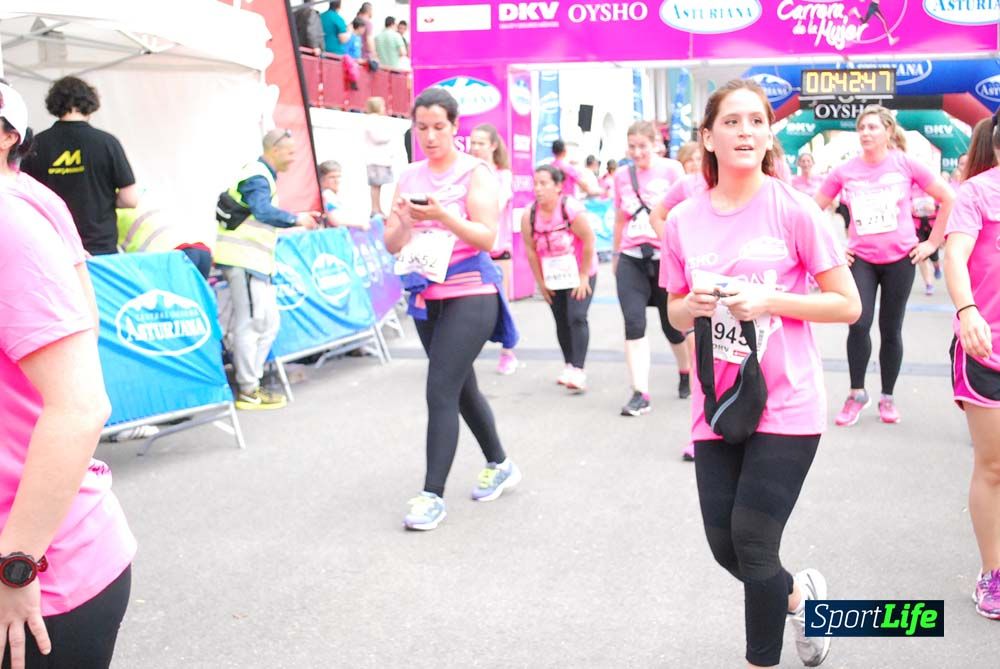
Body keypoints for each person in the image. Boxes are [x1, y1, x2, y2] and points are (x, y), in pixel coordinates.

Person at [663, 78, 861, 669]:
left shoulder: (794, 209)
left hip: (787, 403)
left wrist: (768, 300)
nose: (745, 130)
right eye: (732, 121)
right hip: (719, 402)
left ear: (768, 133)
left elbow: (846, 304)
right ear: (709, 136)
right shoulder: (683, 221)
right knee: (728, 549)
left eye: (756, 120)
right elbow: (673, 310)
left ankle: (761, 660)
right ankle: (805, 602)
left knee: (753, 541)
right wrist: (694, 304)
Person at [0, 86, 136, 669]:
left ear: (8, 135)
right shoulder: (34, 197)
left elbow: (81, 406)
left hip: (38, 577)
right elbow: (88, 317)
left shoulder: (11, 220)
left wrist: (16, 564)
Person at [385, 88, 520, 531]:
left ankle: (431, 495)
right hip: (427, 294)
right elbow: (391, 243)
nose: (429, 136)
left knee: (439, 388)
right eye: (421, 128)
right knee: (461, 390)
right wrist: (405, 220)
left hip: (471, 290)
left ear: (454, 127)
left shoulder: (475, 173)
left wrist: (443, 216)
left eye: (438, 127)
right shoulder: (408, 176)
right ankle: (500, 462)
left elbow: (487, 238)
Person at [816, 105, 955, 426]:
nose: (865, 133)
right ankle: (856, 394)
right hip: (861, 259)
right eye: (861, 127)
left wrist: (933, 243)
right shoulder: (845, 170)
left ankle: (887, 397)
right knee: (858, 324)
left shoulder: (906, 164)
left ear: (889, 132)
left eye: (872, 127)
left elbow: (948, 198)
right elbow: (812, 211)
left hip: (901, 260)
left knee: (890, 330)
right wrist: (834, 247)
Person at [213, 129, 319, 411]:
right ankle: (248, 389)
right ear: (274, 149)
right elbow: (262, 211)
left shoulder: (260, 175)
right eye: (290, 151)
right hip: (244, 261)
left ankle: (251, 383)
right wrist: (297, 219)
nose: (294, 157)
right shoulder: (258, 176)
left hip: (254, 263)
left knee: (267, 323)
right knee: (252, 324)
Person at [943, 110, 1000, 620]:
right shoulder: (978, 193)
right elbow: (955, 256)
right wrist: (968, 313)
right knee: (995, 465)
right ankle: (993, 573)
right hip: (989, 347)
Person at [612, 121, 689, 418]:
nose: (637, 152)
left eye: (642, 146)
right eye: (632, 146)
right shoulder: (621, 175)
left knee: (673, 326)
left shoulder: (672, 171)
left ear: (656, 144)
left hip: (665, 257)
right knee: (633, 323)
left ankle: (685, 371)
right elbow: (620, 217)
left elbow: (685, 212)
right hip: (632, 256)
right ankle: (640, 392)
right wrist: (617, 254)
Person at [21, 76, 138, 256]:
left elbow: (25, 199)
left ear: (54, 104)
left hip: (56, 247)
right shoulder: (107, 142)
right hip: (101, 247)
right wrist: (103, 198)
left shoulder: (36, 145)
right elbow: (130, 199)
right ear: (89, 102)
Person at [652, 139, 708, 461]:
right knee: (703, 358)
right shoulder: (688, 185)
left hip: (747, 286)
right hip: (698, 282)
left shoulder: (761, 184)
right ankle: (700, 435)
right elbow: (658, 216)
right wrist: (677, 250)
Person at [522, 165, 597, 391]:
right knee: (561, 319)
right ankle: (568, 364)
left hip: (579, 271)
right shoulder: (530, 214)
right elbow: (530, 250)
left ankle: (579, 369)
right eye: (535, 183)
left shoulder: (570, 209)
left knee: (577, 316)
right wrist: (540, 283)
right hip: (553, 275)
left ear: (558, 186)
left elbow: (589, 240)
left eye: (544, 183)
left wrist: (583, 276)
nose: (538, 188)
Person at [469, 123, 519, 375]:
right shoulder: (466, 174)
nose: (475, 147)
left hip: (498, 247)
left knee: (502, 301)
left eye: (481, 143)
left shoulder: (503, 176)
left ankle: (508, 352)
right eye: (473, 142)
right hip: (472, 248)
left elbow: (495, 207)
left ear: (493, 145)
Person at [115, 198, 214, 279]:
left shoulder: (113, 213)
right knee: (199, 297)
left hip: (177, 254)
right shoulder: (141, 198)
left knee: (176, 297)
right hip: (203, 250)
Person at [364, 97, 395, 219]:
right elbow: (378, 137)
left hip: (380, 158)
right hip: (376, 158)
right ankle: (375, 209)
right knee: (375, 185)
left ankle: (378, 208)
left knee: (379, 185)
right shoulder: (372, 120)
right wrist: (388, 135)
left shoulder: (376, 120)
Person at [318, 160, 370, 230]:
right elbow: (336, 220)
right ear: (322, 179)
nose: (337, 180)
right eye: (332, 177)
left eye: (339, 176)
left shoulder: (332, 195)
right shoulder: (326, 195)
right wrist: (361, 223)